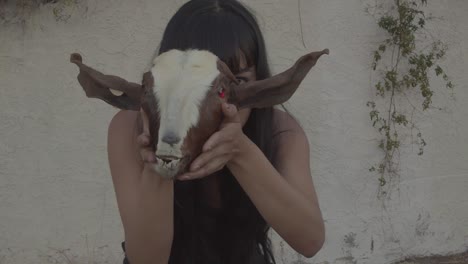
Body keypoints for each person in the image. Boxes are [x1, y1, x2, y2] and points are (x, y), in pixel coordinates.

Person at [107, 0, 325, 263]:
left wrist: (241, 152)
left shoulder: (281, 131)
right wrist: (161, 158)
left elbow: (310, 240)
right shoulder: (129, 128)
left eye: (239, 81)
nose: (218, 106)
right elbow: (146, 259)